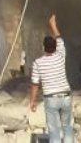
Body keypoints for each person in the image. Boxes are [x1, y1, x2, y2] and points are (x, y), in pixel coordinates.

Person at [29, 14, 73, 143]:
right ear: (55, 47)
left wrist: (33, 101)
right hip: (66, 96)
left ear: (43, 47)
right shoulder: (61, 56)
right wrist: (53, 25)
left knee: (54, 131)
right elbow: (59, 39)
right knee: (67, 128)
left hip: (51, 98)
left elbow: (35, 84)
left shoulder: (38, 63)